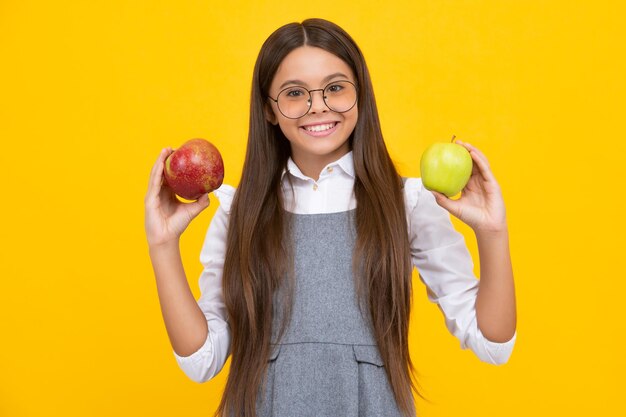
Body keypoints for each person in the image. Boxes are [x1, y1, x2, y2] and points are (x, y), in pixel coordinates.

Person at [145, 18, 517, 417]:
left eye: (335, 88)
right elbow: (203, 360)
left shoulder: (407, 202)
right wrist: (163, 246)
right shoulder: (239, 212)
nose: (318, 105)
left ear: (361, 96)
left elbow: (492, 343)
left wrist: (492, 232)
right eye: (294, 93)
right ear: (269, 111)